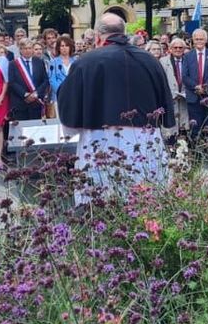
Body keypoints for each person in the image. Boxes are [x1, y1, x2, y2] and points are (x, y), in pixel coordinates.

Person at [57, 13, 174, 200]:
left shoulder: (86, 62)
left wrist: (73, 126)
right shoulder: (150, 60)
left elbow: (68, 100)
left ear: (97, 36)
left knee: (101, 197)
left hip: (100, 139)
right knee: (147, 197)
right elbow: (165, 99)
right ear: (124, 32)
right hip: (145, 140)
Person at [183, 28, 208, 138]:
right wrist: (196, 87)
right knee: (195, 127)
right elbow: (185, 75)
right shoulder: (187, 56)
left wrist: (206, 86)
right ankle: (196, 152)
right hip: (193, 96)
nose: (199, 41)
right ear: (193, 40)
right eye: (196, 39)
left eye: (201, 39)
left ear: (206, 40)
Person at [7, 39, 50, 122]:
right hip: (20, 102)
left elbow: (45, 80)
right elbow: (12, 82)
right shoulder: (13, 64)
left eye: (30, 48)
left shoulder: (39, 62)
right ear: (20, 50)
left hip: (36, 102)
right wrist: (25, 94)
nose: (27, 51)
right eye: (25, 48)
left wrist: (36, 94)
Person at [48, 35, 77, 117]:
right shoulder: (53, 62)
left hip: (74, 96)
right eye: (62, 46)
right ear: (58, 48)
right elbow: (52, 80)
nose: (64, 48)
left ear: (70, 47)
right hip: (59, 97)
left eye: (67, 46)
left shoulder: (76, 61)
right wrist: (63, 91)